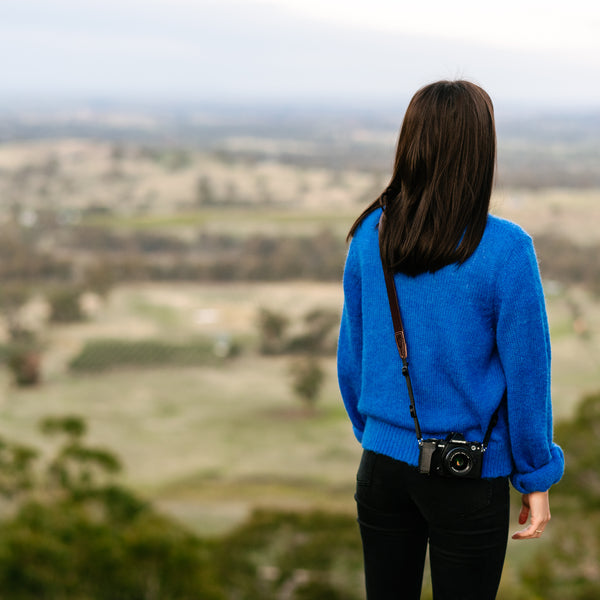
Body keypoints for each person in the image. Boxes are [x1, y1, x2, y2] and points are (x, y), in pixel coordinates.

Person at [337, 80, 564, 600]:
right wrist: (535, 477)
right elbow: (529, 377)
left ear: (410, 144)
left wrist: (378, 435)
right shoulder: (507, 248)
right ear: (480, 151)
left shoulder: (371, 232)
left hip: (381, 470)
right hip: (469, 472)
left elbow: (352, 359)